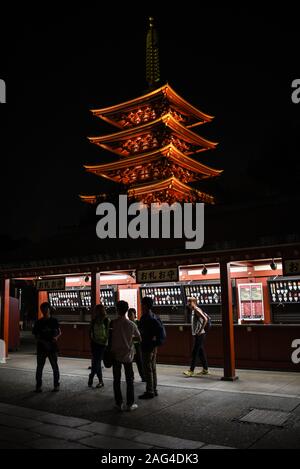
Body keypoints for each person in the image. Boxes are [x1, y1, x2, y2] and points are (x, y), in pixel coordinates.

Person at [111, 300, 141, 411]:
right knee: (129, 380)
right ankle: (130, 404)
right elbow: (139, 338)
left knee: (116, 380)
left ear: (117, 309)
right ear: (126, 310)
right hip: (128, 355)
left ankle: (119, 404)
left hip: (115, 355)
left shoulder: (113, 323)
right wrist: (129, 339)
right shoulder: (131, 324)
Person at [32, 302, 61, 392]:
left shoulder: (54, 321)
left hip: (52, 347)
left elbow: (59, 332)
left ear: (49, 309)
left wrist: (56, 337)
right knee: (40, 367)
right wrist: (44, 342)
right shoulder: (38, 322)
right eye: (43, 309)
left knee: (54, 367)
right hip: (41, 348)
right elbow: (36, 336)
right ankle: (38, 386)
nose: (44, 311)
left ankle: (56, 385)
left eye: (46, 309)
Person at [138, 296, 161, 399]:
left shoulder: (145, 317)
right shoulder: (155, 316)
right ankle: (154, 389)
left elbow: (141, 332)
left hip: (146, 345)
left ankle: (149, 391)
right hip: (154, 345)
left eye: (142, 304)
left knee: (147, 369)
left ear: (145, 305)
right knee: (153, 368)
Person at [183, 297, 210, 377]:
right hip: (198, 334)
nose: (188, 304)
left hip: (200, 335)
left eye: (189, 302)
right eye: (188, 302)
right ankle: (205, 369)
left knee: (195, 352)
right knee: (201, 352)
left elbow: (205, 319)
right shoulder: (193, 310)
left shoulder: (196, 310)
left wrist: (200, 330)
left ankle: (191, 371)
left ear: (194, 302)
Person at [88, 304, 110, 388]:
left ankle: (95, 378)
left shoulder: (106, 320)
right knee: (95, 362)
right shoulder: (94, 320)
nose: (95, 312)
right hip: (95, 343)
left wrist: (105, 341)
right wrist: (92, 339)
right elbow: (90, 331)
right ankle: (95, 378)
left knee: (96, 362)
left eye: (96, 310)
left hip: (102, 344)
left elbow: (108, 333)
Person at [128, 308, 145, 382]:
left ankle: (143, 377)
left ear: (135, 315)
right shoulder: (127, 323)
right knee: (129, 362)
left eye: (131, 314)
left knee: (140, 362)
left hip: (137, 345)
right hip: (130, 345)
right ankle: (131, 377)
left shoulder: (138, 322)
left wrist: (133, 338)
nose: (129, 316)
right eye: (128, 314)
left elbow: (140, 334)